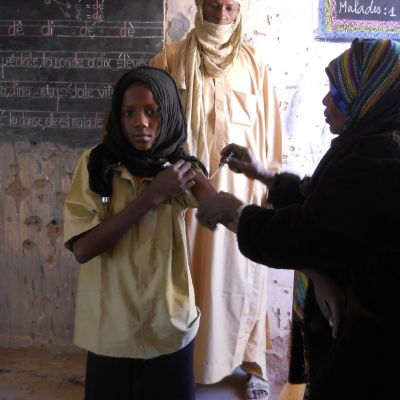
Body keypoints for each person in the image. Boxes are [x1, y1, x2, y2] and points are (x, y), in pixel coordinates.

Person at [196, 38, 400, 400]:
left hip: (371, 349)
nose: (325, 102)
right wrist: (262, 174)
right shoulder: (369, 140)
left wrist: (235, 213)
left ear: (366, 98)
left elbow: (304, 233)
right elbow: (321, 200)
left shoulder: (380, 158)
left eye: (336, 93)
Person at [150, 1, 282, 398]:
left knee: (241, 281)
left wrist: (271, 188)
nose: (222, 16)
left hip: (240, 197)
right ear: (199, 7)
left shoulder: (254, 64)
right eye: (213, 6)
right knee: (184, 282)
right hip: (185, 196)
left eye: (230, 7)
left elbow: (270, 136)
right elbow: (152, 131)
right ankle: (182, 365)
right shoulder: (169, 60)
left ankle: (251, 362)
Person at [63, 66, 219, 400]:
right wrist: (152, 196)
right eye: (128, 113)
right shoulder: (95, 165)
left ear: (168, 113)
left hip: (168, 327)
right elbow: (84, 249)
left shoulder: (177, 168)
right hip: (111, 333)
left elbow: (218, 208)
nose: (141, 123)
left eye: (152, 112)